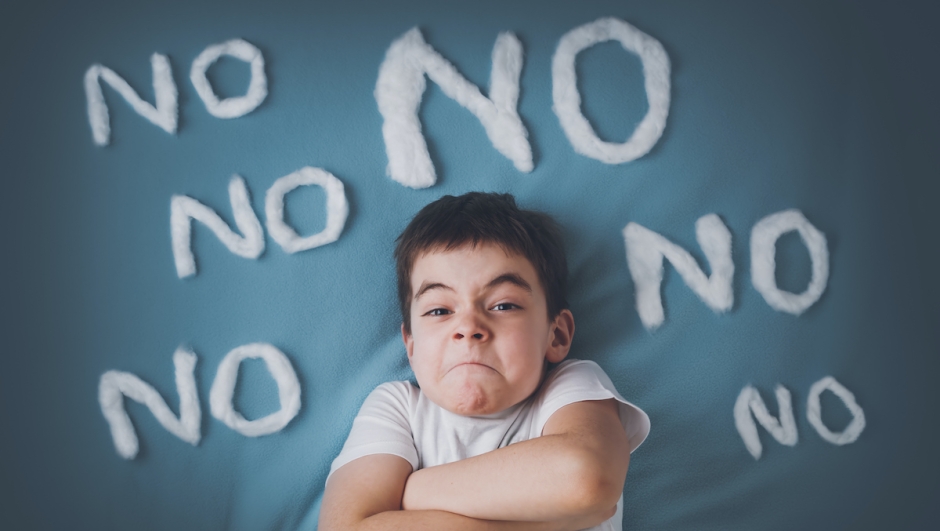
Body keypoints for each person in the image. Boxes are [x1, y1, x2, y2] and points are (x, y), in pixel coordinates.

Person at [319, 192, 650, 531]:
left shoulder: (571, 386)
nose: (468, 328)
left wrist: (410, 492)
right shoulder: (398, 407)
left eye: (503, 305)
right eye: (439, 310)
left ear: (557, 335)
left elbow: (586, 477)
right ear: (412, 347)